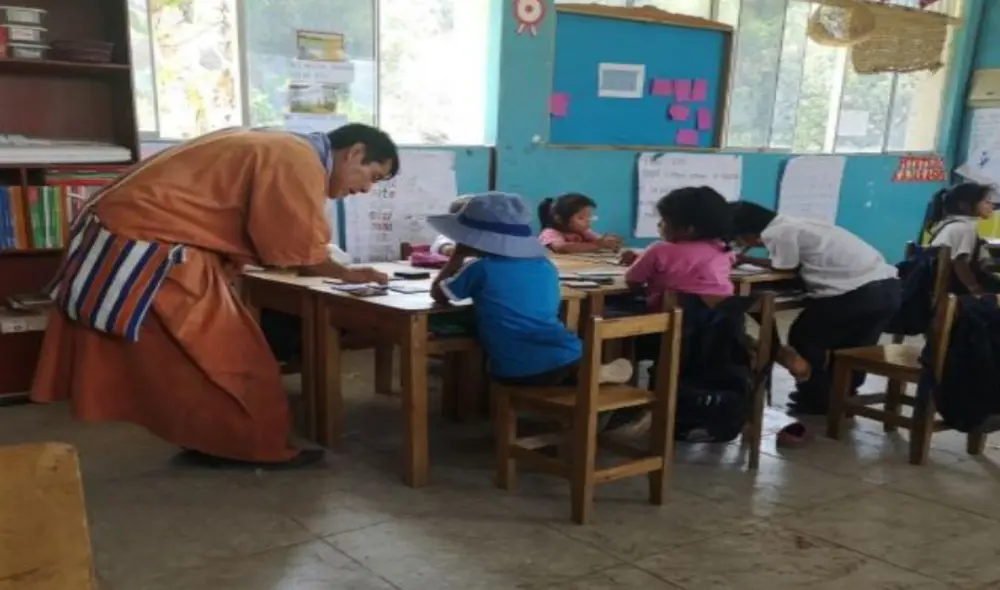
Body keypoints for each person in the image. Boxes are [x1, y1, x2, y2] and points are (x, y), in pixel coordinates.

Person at [31, 124, 400, 468]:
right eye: (373, 176)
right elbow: (298, 249)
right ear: (355, 152)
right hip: (150, 244)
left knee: (183, 358)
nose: (367, 189)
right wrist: (347, 274)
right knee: (236, 359)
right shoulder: (297, 159)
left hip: (131, 233)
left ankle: (212, 438)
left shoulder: (277, 142)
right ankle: (254, 449)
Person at [428, 192, 645, 434]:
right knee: (556, 359)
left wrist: (458, 255)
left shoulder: (481, 269)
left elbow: (439, 293)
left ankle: (587, 382)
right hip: (570, 351)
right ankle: (590, 377)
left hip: (515, 368)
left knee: (531, 364)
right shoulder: (544, 265)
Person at [731, 202, 901, 416]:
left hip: (857, 294)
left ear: (746, 233)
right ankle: (843, 397)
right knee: (853, 347)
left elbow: (784, 267)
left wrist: (743, 259)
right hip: (888, 289)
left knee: (805, 336)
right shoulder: (795, 223)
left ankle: (816, 397)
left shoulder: (778, 232)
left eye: (738, 239)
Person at [922, 183, 999, 295]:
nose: (992, 205)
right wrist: (976, 290)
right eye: (986, 202)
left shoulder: (948, 223)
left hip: (932, 286)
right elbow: (960, 264)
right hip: (953, 289)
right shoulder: (965, 228)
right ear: (964, 205)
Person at [538, 192, 622, 254]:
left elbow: (599, 241)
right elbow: (562, 248)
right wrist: (597, 245)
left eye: (589, 217)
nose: (588, 221)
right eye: (581, 218)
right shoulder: (549, 233)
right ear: (559, 219)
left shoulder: (584, 231)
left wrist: (608, 243)